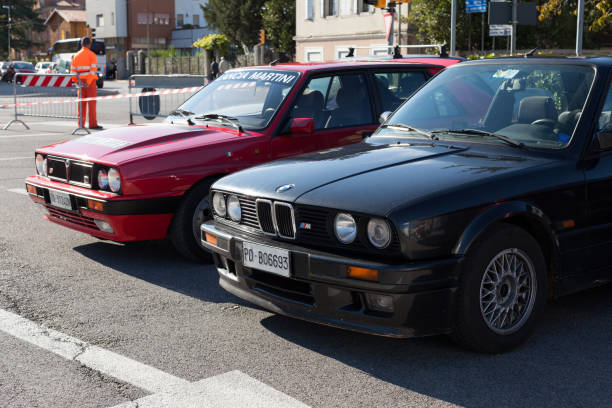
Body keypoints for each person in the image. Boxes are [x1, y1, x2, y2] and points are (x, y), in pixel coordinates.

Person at [70, 37, 102, 129]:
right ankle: (92, 124)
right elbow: (93, 71)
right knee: (91, 104)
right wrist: (88, 82)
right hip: (90, 82)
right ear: (89, 44)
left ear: (81, 44)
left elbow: (73, 72)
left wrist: (76, 82)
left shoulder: (75, 56)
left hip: (80, 82)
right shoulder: (92, 55)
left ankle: (81, 124)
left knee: (81, 104)